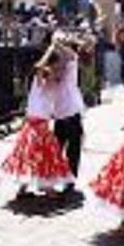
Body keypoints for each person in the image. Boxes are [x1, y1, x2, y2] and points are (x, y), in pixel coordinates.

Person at [2, 47, 74, 198]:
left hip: (38, 122)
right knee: (41, 155)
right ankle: (47, 190)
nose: (58, 69)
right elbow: (40, 67)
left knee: (32, 155)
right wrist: (51, 49)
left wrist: (60, 48)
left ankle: (25, 189)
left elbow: (70, 59)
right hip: (37, 124)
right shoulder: (41, 77)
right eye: (56, 65)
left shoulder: (52, 78)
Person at [50, 32, 86, 188]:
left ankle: (70, 178)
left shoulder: (72, 59)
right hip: (59, 112)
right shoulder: (56, 63)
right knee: (57, 147)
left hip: (71, 110)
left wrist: (58, 42)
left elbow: (70, 53)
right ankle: (57, 176)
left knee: (73, 146)